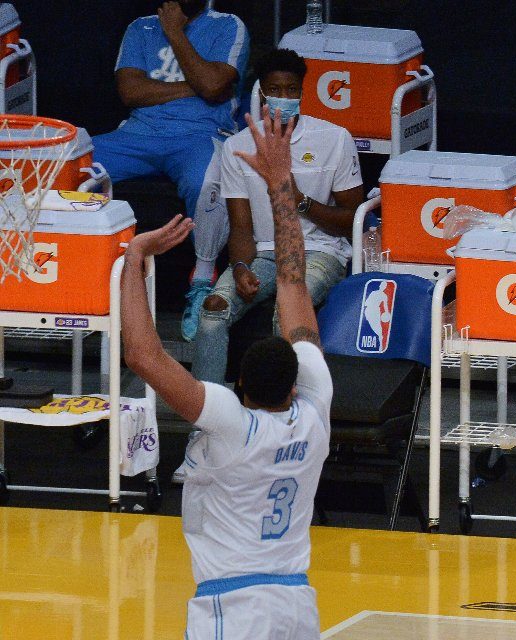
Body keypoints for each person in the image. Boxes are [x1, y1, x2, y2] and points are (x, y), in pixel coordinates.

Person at [120, 106, 330, 639]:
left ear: (237, 387)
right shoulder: (316, 409)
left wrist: (134, 261)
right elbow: (294, 282)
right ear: (295, 381)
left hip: (232, 610)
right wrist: (282, 182)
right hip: (297, 607)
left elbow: (145, 357)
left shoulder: (232, 425)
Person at [190, 48, 362, 388]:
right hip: (264, 253)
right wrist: (239, 268)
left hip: (320, 251)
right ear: (261, 92)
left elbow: (352, 220)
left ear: (302, 91)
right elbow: (241, 229)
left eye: (292, 90)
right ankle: (207, 418)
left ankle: (280, 413)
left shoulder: (334, 139)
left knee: (286, 315)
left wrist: (300, 202)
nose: (284, 97)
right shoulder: (238, 147)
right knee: (212, 309)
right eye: (275, 90)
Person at [93, 0, 250, 341]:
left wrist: (174, 32)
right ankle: (83, 278)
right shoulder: (140, 26)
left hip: (201, 134)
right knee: (73, 163)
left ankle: (202, 280)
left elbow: (213, 88)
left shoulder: (228, 25)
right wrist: (197, 83)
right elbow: (131, 91)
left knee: (208, 180)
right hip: (138, 134)